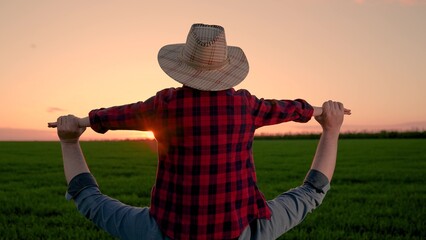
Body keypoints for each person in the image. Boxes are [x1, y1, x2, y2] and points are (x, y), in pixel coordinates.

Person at [49, 23, 351, 240]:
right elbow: (286, 108)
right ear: (225, 69)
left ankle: (68, 146)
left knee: (89, 200)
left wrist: (76, 129)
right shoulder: (244, 105)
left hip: (167, 230)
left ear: (183, 66)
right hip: (243, 230)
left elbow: (118, 115)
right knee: (312, 193)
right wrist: (326, 121)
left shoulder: (164, 105)